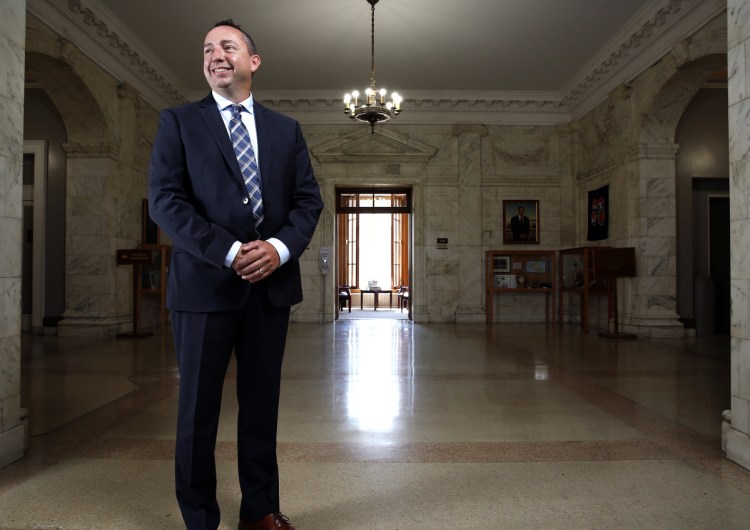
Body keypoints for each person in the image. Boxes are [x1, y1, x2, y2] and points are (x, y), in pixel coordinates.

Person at [148, 19, 323, 530]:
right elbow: (166, 202)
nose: (215, 54)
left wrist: (276, 247)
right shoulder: (177, 122)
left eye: (228, 46)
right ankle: (200, 519)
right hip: (203, 290)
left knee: (260, 410)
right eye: (207, 49)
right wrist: (228, 251)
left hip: (270, 291)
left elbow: (308, 203)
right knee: (197, 414)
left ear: (254, 61)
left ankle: (260, 511)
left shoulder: (285, 130)